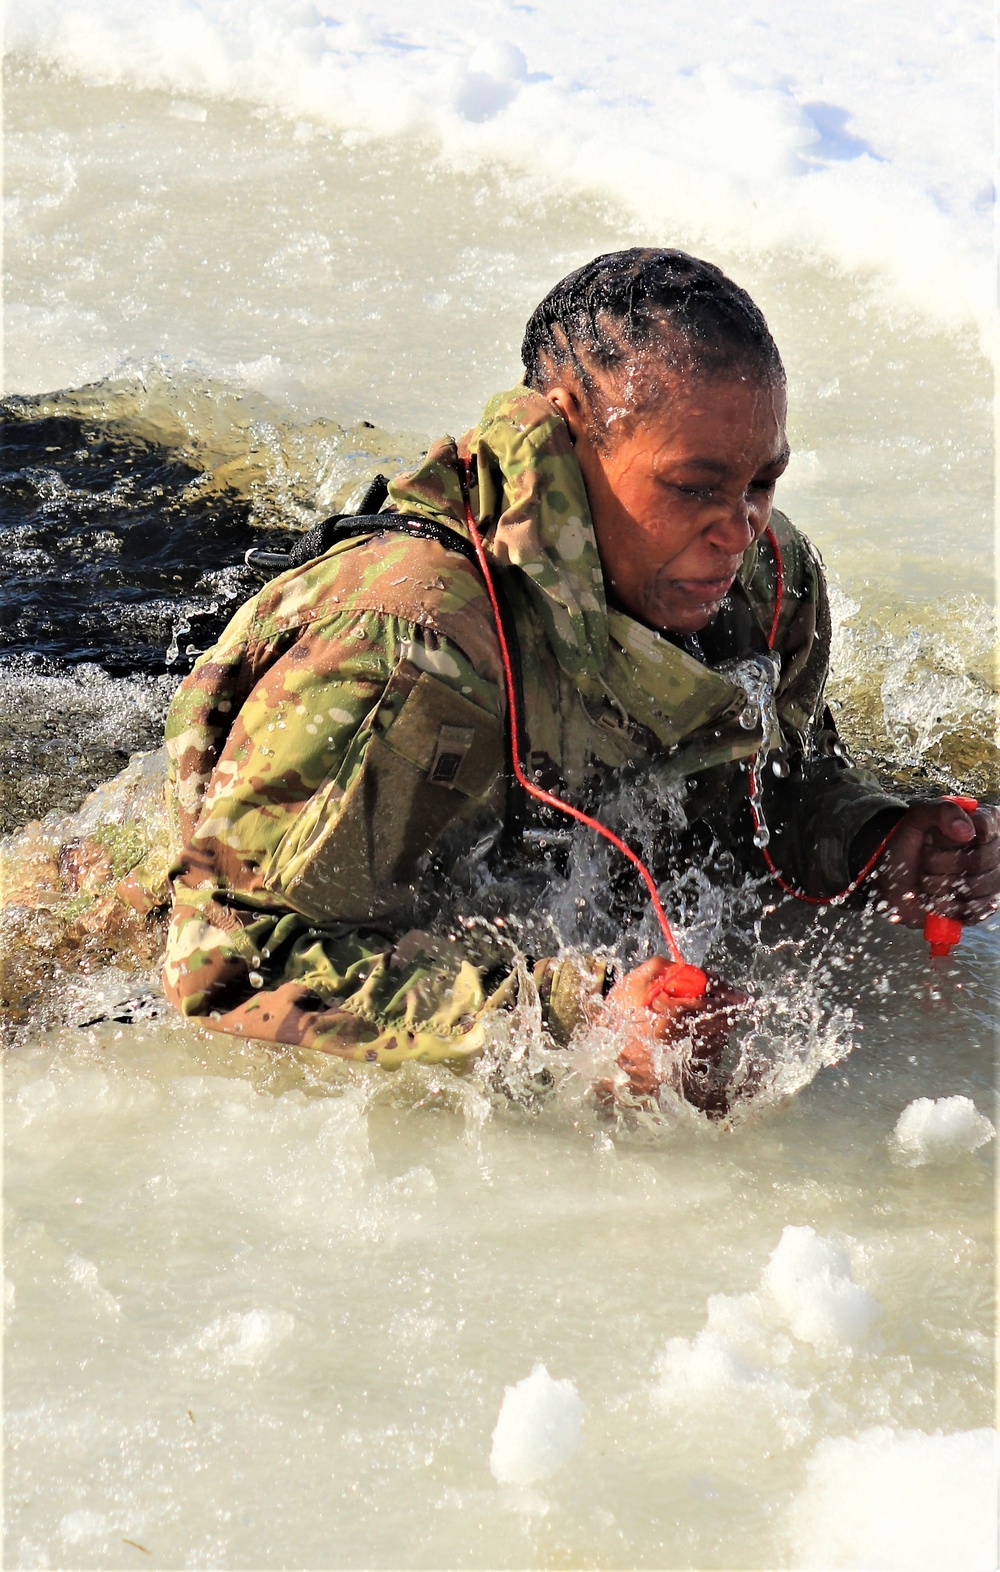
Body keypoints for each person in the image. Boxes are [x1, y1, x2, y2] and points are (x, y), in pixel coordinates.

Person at [161, 249, 1000, 1111]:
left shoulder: (767, 582)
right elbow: (229, 960)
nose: (739, 528)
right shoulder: (403, 644)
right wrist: (573, 1021)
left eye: (762, 482)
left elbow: (758, 805)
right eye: (695, 486)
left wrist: (876, 845)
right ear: (567, 435)